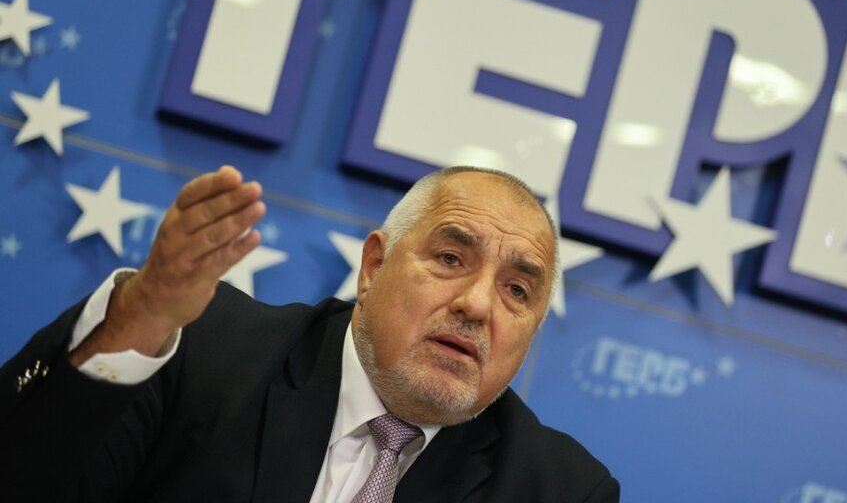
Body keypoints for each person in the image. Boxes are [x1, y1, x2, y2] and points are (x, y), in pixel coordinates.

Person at [0, 165, 618, 502]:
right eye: (451, 259)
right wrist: (138, 319)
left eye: (517, 291)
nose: (478, 305)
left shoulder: (558, 490)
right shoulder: (202, 350)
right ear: (373, 267)